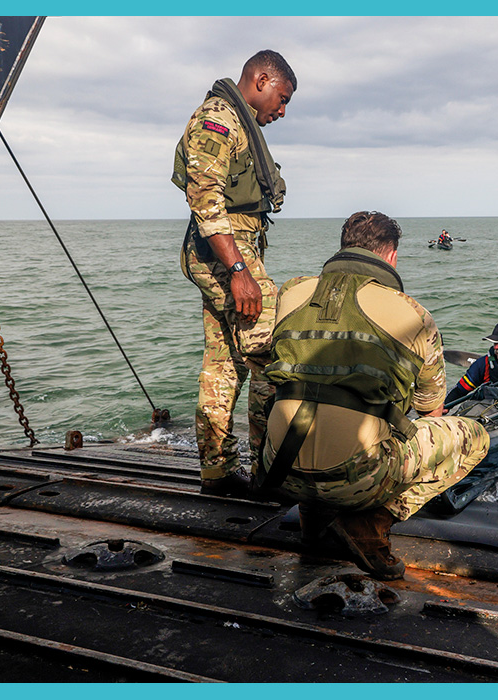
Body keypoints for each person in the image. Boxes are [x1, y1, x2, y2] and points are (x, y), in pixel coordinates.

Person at [260, 211, 491, 580]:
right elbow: (431, 411)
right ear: (392, 256)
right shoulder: (414, 314)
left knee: (308, 398)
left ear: (344, 247)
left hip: (279, 471)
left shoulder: (290, 292)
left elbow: (271, 373)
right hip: (356, 481)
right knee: (474, 437)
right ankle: (370, 523)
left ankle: (313, 523)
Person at [172, 50, 297, 497]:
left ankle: (219, 472)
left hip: (228, 250)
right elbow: (204, 198)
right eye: (282, 98)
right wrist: (239, 270)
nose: (281, 111)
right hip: (225, 253)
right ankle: (270, 474)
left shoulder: (239, 123)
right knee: (270, 353)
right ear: (261, 80)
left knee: (224, 363)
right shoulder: (218, 118)